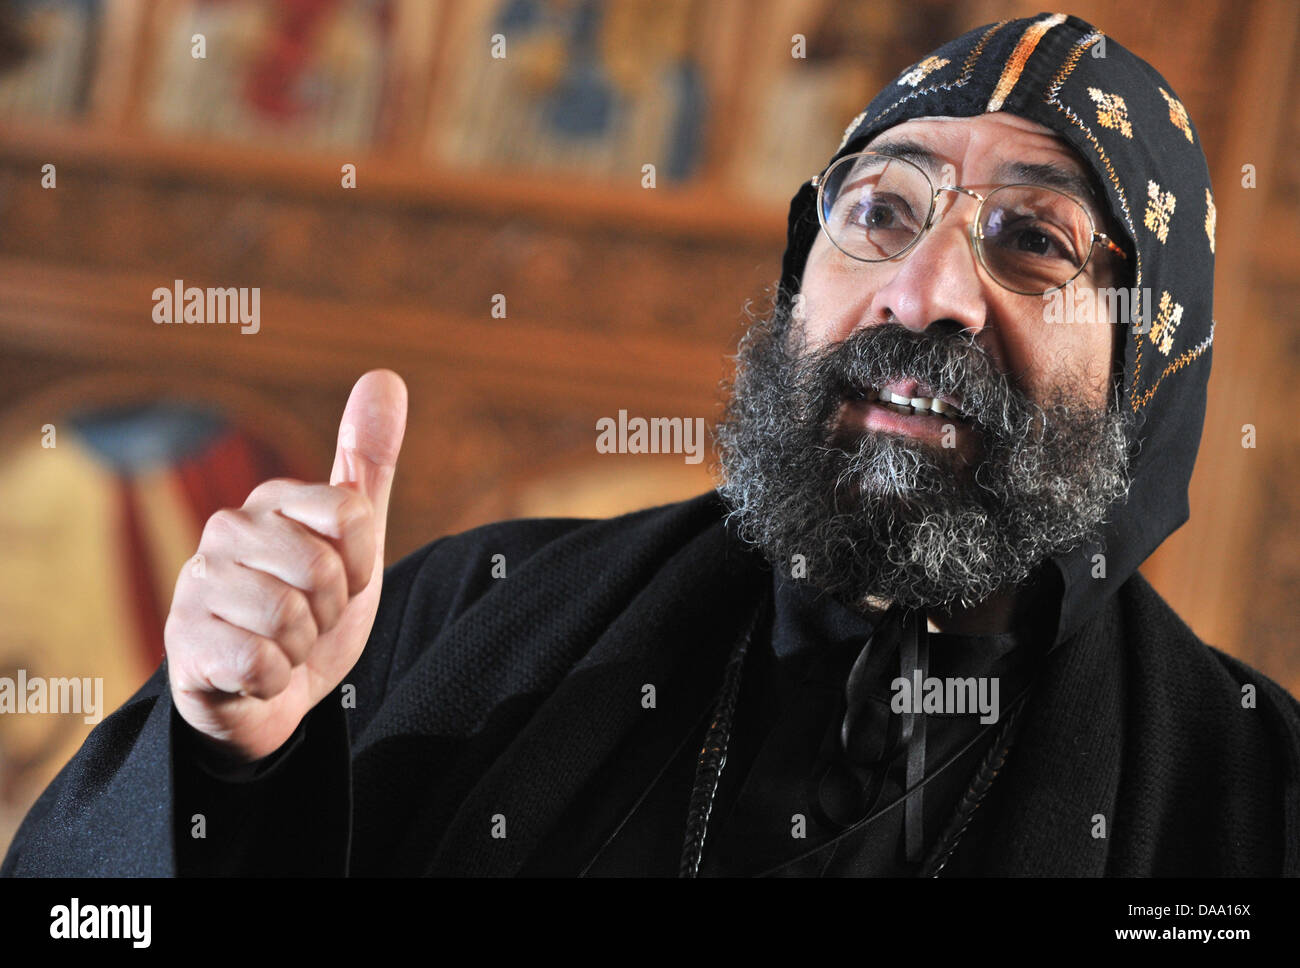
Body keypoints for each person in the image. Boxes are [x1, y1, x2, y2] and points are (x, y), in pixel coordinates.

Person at [5, 12, 1298, 877]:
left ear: (1149, 364)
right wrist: (230, 765)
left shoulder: (1252, 800)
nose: (922, 291)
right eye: (881, 211)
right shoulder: (467, 613)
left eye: (1033, 242)